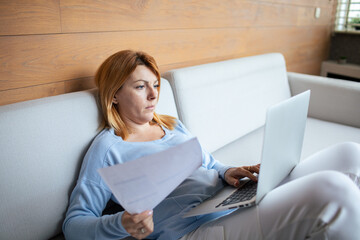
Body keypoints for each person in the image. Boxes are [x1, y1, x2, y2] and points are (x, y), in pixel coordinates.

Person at [63, 50, 360, 240]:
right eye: (141, 87)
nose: (153, 95)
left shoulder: (169, 123)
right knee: (334, 191)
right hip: (192, 230)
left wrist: (228, 171)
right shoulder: (108, 148)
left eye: (155, 85)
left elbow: (209, 164)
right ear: (114, 95)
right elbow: (75, 225)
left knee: (350, 153)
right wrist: (123, 223)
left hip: (227, 200)